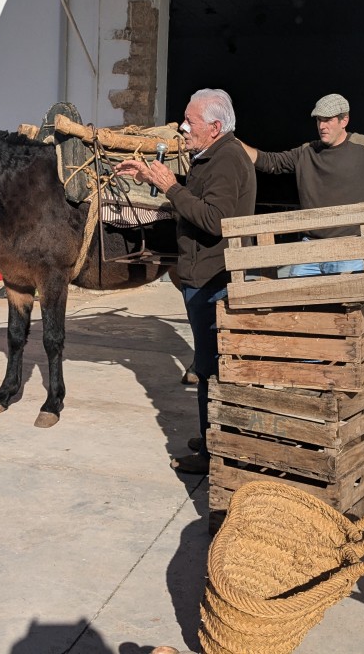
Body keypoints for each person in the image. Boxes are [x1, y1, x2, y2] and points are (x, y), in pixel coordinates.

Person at [115, 89, 256, 474]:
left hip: (214, 277)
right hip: (205, 273)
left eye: (190, 121)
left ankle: (213, 454)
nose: (182, 126)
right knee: (209, 362)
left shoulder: (227, 159)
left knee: (211, 366)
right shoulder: (215, 154)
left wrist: (170, 188)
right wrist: (153, 176)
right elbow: (200, 196)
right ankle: (212, 437)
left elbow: (216, 219)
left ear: (214, 126)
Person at [242, 93, 364, 313]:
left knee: (356, 319)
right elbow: (270, 162)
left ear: (343, 120)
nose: (322, 125)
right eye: (319, 120)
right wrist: (231, 142)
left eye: (328, 120)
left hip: (352, 250)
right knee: (298, 314)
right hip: (310, 249)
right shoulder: (307, 151)